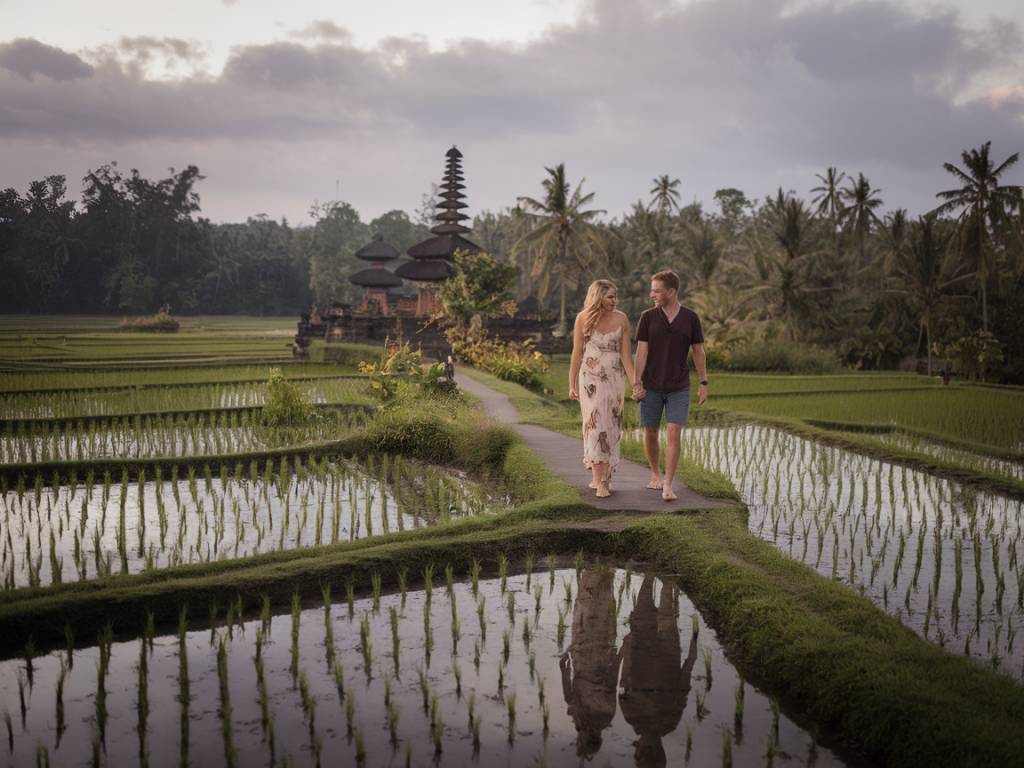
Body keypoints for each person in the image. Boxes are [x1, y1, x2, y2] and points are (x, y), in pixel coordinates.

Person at [632, 270, 708, 501]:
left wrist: (703, 381)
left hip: (679, 386)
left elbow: (698, 351)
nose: (652, 294)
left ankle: (667, 484)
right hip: (651, 385)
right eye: (652, 290)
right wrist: (636, 383)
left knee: (674, 433)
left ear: (671, 291)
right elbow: (641, 352)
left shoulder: (690, 318)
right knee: (651, 431)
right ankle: (655, 474)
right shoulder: (647, 317)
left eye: (657, 290)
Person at [569, 280, 637, 498]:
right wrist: (571, 385)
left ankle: (604, 477)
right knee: (595, 424)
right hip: (590, 379)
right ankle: (600, 481)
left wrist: (636, 383)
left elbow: (626, 356)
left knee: (612, 424)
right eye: (610, 297)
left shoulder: (622, 318)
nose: (614, 300)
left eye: (615, 296)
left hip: (615, 378)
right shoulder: (582, 318)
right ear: (598, 297)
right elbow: (576, 354)